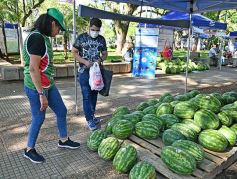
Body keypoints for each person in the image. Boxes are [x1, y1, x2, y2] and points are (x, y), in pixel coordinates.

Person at [23, 8, 80, 164]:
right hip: (36, 87)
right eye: (59, 28)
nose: (59, 31)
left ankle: (63, 140)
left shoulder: (43, 37)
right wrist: (41, 94)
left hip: (48, 85)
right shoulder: (37, 38)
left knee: (61, 110)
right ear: (52, 23)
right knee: (39, 117)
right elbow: (33, 68)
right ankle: (29, 149)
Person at [72, 18, 108, 131]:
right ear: (89, 27)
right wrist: (84, 61)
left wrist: (100, 59)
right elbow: (73, 52)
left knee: (94, 95)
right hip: (84, 71)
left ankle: (92, 116)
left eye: (97, 30)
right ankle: (89, 119)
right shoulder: (81, 37)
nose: (95, 32)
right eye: (93, 29)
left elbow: (105, 53)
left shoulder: (101, 39)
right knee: (86, 96)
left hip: (96, 72)